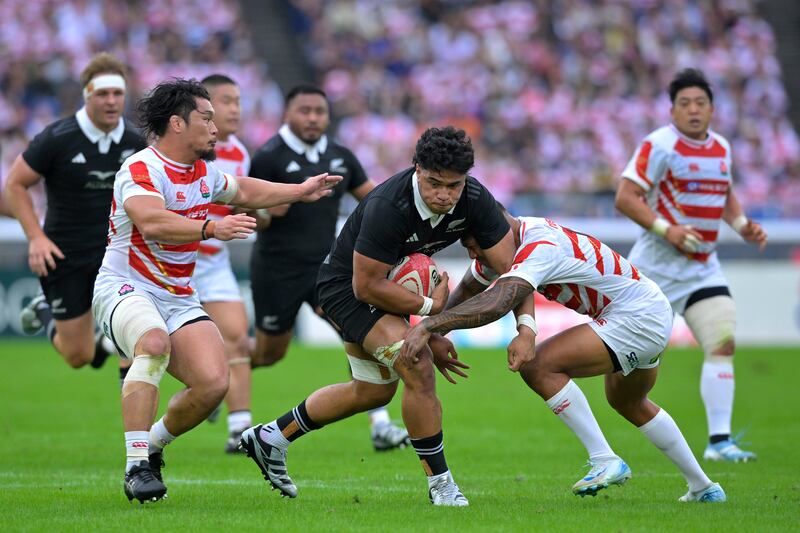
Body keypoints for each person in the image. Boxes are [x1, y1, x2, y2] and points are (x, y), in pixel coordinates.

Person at [91, 78, 341, 503]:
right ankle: (135, 466)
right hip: (124, 286)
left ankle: (152, 445)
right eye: (206, 118)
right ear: (176, 124)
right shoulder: (141, 169)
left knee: (213, 385)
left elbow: (244, 189)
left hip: (177, 295)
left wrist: (299, 192)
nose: (215, 127)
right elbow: (152, 222)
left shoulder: (203, 172)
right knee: (152, 343)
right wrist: (212, 226)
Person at [240, 126, 517, 506]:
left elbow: (515, 273)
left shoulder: (474, 198)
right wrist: (430, 313)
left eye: (453, 186)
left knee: (372, 391)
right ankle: (442, 487)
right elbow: (366, 286)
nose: (443, 195)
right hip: (347, 290)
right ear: (416, 168)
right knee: (417, 365)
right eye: (434, 183)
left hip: (388, 289)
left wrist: (527, 328)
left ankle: (271, 436)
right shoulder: (390, 203)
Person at [402, 212, 727, 503]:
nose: (473, 254)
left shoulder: (539, 246)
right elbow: (471, 289)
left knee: (539, 365)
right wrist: (437, 333)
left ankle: (604, 458)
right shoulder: (512, 240)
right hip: (646, 308)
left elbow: (497, 302)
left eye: (475, 246)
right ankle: (703, 486)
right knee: (630, 402)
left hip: (635, 316)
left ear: (495, 235)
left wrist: (430, 325)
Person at [615, 68, 767, 463]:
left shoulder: (721, 147)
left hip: (702, 268)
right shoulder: (659, 144)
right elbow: (626, 197)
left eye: (700, 103)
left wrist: (741, 225)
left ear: (713, 109)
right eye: (685, 103)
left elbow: (725, 194)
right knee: (632, 366)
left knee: (723, 342)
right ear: (673, 110)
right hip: (654, 270)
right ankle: (623, 414)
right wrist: (670, 231)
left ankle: (719, 442)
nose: (693, 110)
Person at [247, 84, 409, 450]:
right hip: (277, 271)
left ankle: (380, 424)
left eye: (319, 111)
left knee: (358, 335)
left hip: (327, 273)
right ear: (287, 114)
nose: (313, 118)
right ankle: (226, 370)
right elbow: (248, 210)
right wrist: (263, 213)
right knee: (268, 353)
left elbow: (376, 199)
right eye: (305, 111)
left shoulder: (341, 156)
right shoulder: (268, 157)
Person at [5, 53, 146, 372]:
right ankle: (45, 310)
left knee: (133, 339)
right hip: (64, 253)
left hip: (117, 255)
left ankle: (133, 424)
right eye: (103, 94)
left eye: (117, 94)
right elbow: (15, 185)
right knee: (78, 356)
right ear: (87, 95)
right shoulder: (57, 138)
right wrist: (36, 238)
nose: (111, 101)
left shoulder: (136, 141)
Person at [193, 74, 254, 453]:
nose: (234, 109)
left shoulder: (240, 153)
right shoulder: (177, 149)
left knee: (237, 336)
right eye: (226, 101)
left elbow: (240, 198)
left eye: (237, 101)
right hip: (169, 259)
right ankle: (200, 391)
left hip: (213, 261)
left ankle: (240, 429)